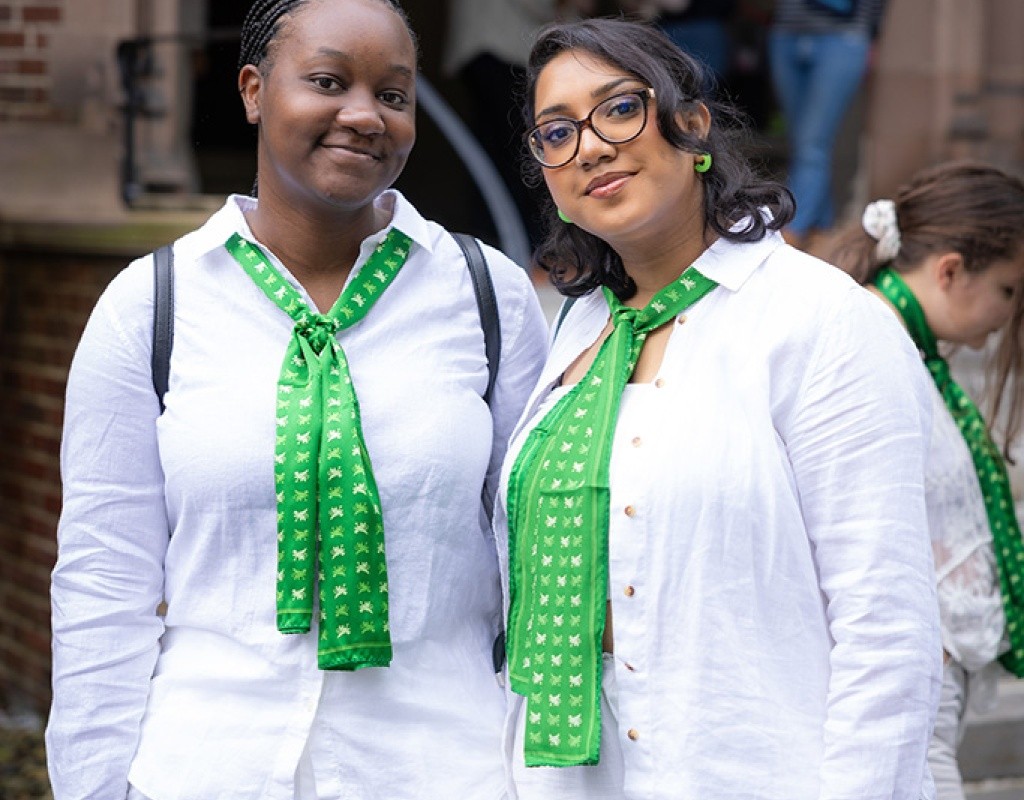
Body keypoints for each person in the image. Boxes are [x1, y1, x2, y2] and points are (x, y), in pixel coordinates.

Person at [45, 1, 547, 798]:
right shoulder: (152, 306)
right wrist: (94, 785)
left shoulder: (489, 296)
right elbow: (105, 582)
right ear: (252, 91)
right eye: (327, 81)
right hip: (208, 765)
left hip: (440, 765)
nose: (363, 114)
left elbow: (539, 568)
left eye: (394, 94)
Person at [492, 17, 941, 799]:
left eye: (620, 109)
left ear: (692, 126)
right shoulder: (576, 328)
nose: (589, 147)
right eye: (555, 132)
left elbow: (887, 631)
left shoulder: (818, 321)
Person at [826, 160, 1024, 800]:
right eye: (1008, 289)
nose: (1007, 312)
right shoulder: (869, 348)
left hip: (922, 676)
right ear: (949, 271)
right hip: (903, 680)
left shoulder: (899, 347)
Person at [443, 0, 596, 249]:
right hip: (506, 44)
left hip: (491, 44)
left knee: (501, 153)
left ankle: (508, 245)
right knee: (524, 154)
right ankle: (538, 250)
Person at [768, 0, 888, 250]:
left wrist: (871, 36)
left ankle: (792, 230)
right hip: (786, 31)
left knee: (812, 144)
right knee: (802, 143)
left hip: (842, 37)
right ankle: (821, 228)